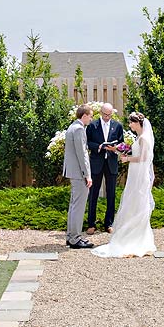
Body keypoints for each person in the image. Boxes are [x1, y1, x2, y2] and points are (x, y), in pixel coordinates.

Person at [91, 112, 157, 258]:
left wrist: (127, 159)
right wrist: (122, 149)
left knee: (138, 204)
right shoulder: (139, 137)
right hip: (135, 174)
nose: (130, 125)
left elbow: (144, 158)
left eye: (131, 123)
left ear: (137, 123)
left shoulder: (144, 138)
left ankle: (138, 239)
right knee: (133, 203)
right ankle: (133, 236)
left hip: (140, 175)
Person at [85, 102, 124, 234]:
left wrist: (115, 148)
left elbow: (121, 142)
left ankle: (109, 223)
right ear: (100, 113)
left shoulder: (117, 126)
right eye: (105, 114)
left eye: (109, 115)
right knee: (93, 194)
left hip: (111, 163)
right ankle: (91, 224)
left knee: (111, 194)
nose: (107, 117)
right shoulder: (92, 125)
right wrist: (99, 146)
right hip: (96, 163)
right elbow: (87, 142)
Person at [63, 104, 94, 249]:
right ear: (85, 115)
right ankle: (75, 238)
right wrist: (87, 174)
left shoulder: (72, 127)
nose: (91, 119)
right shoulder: (79, 129)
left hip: (73, 172)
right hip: (79, 173)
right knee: (78, 206)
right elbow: (82, 154)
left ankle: (71, 236)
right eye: (91, 116)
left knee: (74, 205)